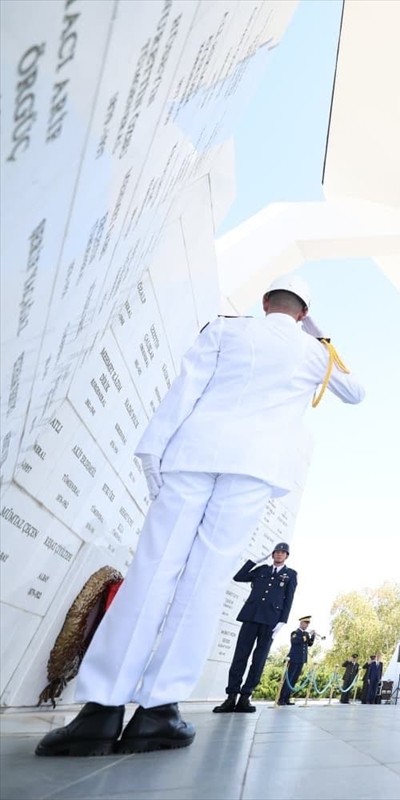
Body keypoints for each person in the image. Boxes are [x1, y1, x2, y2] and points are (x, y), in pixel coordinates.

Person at [35, 274, 365, 757]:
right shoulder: (315, 352)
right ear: (300, 313)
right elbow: (355, 392)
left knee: (151, 573)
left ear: (264, 301)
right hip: (252, 471)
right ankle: (157, 714)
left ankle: (99, 715)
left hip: (192, 454)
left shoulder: (226, 329)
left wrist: (154, 458)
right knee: (205, 582)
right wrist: (316, 329)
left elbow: (182, 392)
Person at [214, 543, 298, 714]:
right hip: (251, 617)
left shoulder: (290, 574)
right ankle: (231, 697)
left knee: (258, 659)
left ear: (287, 556)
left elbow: (289, 598)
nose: (279, 554)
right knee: (240, 656)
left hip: (270, 621)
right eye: (277, 552)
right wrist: (252, 562)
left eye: (283, 552)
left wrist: (282, 621)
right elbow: (239, 577)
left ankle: (245, 696)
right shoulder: (262, 570)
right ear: (272, 553)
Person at [278, 616, 316, 706]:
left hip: (301, 660)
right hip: (294, 658)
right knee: (288, 679)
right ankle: (281, 699)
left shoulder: (306, 634)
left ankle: (287, 698)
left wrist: (313, 635)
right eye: (306, 623)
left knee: (294, 680)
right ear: (301, 623)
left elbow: (309, 644)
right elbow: (295, 641)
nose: (307, 626)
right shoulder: (295, 633)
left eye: (308, 624)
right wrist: (305, 636)